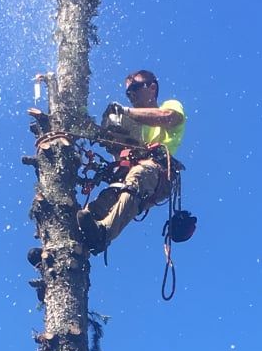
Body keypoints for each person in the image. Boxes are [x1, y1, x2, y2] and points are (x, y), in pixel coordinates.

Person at [80, 69, 186, 253]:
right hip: (132, 174)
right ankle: (75, 240)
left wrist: (126, 111)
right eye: (128, 93)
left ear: (152, 88)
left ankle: (103, 233)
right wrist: (101, 131)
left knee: (139, 175)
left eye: (135, 88)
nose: (131, 95)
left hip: (158, 171)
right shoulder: (134, 126)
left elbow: (168, 117)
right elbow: (117, 145)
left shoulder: (169, 106)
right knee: (102, 202)